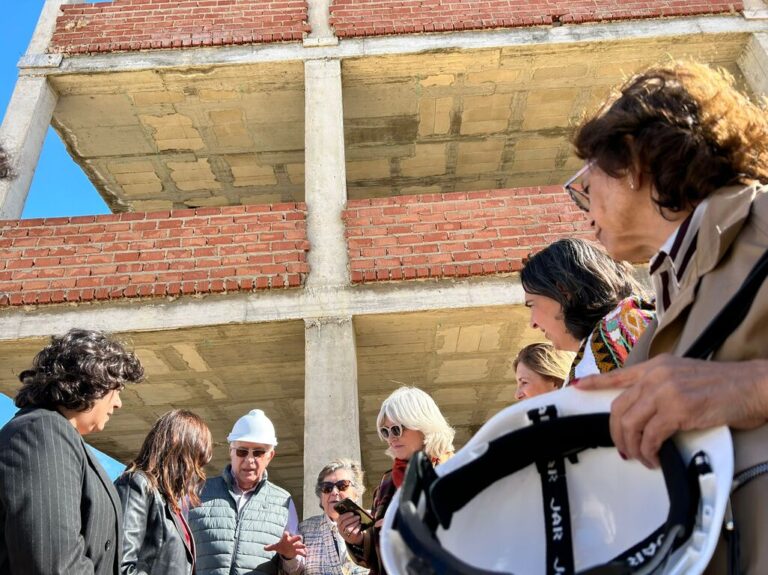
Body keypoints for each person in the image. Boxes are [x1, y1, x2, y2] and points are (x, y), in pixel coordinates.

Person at [564, 61, 768, 573]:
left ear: (632, 161)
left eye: (587, 182)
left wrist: (750, 387)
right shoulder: (662, 314)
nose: (584, 210)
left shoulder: (763, 224)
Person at [0, 328, 144, 575]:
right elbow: (54, 564)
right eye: (117, 389)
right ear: (92, 381)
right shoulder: (41, 432)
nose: (118, 403)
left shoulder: (57, 435)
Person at [337, 387, 454, 575]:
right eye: (385, 431)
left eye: (396, 429)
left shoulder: (454, 474)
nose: (391, 438)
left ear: (424, 426)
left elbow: (474, 543)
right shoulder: (387, 482)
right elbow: (378, 559)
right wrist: (357, 540)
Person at [188, 408, 306, 575]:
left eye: (258, 453)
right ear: (231, 452)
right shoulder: (198, 491)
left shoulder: (283, 502)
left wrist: (289, 557)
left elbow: (296, 569)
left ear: (270, 456)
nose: (249, 460)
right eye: (242, 451)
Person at [521, 237, 655, 381]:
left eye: (532, 305)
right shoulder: (599, 345)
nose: (533, 324)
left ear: (564, 292)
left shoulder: (622, 327)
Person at [115, 409, 213, 575]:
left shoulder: (169, 501)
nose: (198, 471)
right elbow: (121, 565)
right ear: (181, 454)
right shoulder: (138, 485)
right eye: (197, 461)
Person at [286, 459, 369, 575]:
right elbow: (293, 571)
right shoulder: (305, 530)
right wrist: (288, 557)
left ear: (356, 492)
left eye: (342, 485)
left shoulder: (371, 528)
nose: (334, 492)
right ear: (321, 497)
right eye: (327, 488)